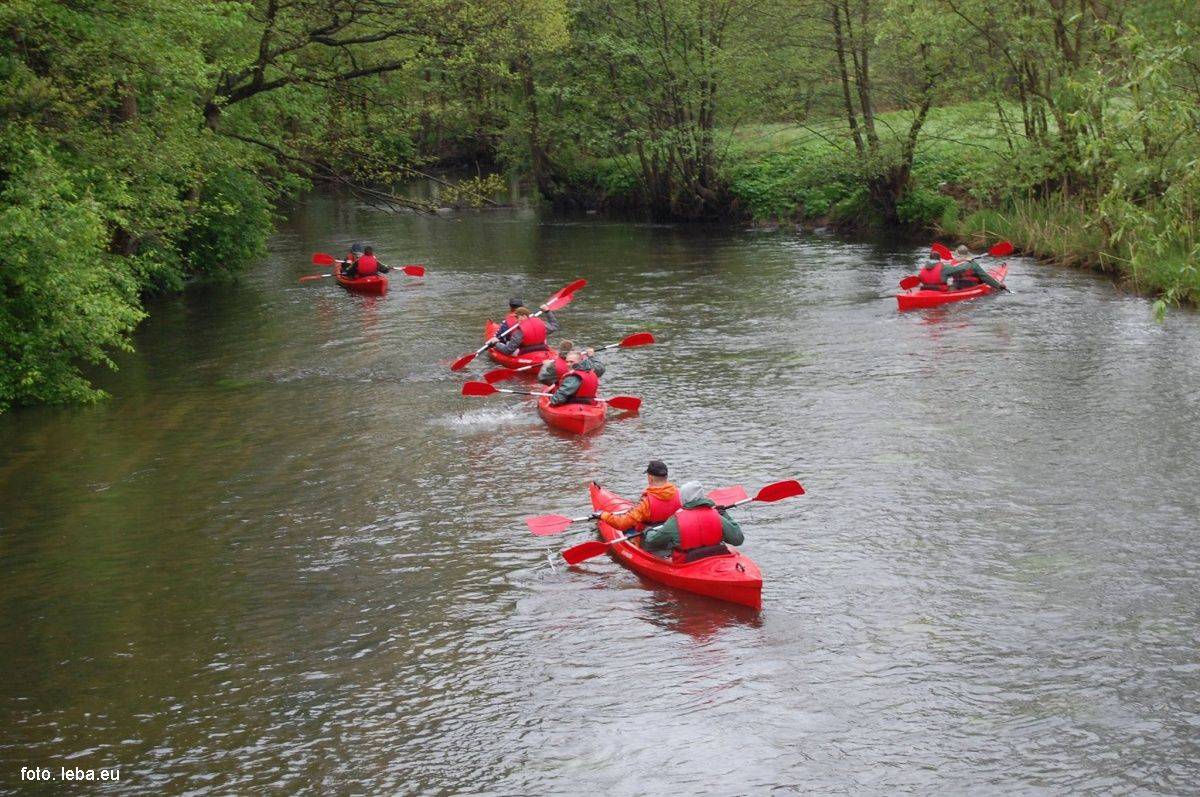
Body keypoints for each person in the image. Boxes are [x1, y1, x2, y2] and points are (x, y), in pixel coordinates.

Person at [641, 481, 744, 563]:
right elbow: (738, 539)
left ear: (683, 498)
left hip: (688, 562)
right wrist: (724, 514)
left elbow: (652, 542)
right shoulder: (717, 516)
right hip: (716, 556)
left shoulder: (675, 521)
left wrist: (648, 531)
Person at [592, 461, 681, 536]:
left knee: (629, 528)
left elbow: (621, 524)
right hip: (670, 536)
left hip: (649, 538)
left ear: (650, 477)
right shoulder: (680, 495)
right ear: (666, 476)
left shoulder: (645, 503)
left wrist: (603, 515)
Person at [917, 246, 1006, 291]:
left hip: (955, 286)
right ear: (967, 254)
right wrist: (998, 286)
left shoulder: (951, 263)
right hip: (971, 286)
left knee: (951, 287)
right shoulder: (972, 263)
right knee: (981, 278)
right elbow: (985, 277)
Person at [492, 305, 558, 356]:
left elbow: (508, 350)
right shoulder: (542, 324)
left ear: (524, 316)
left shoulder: (519, 331)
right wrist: (548, 311)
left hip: (525, 352)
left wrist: (496, 343)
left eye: (517, 317)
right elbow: (554, 326)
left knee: (507, 344)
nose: (516, 320)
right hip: (543, 348)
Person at [537, 340, 605, 386]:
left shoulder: (553, 365)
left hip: (564, 395)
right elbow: (601, 370)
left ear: (559, 351)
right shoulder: (586, 363)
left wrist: (545, 366)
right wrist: (591, 357)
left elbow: (542, 378)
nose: (568, 364)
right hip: (584, 396)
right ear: (573, 350)